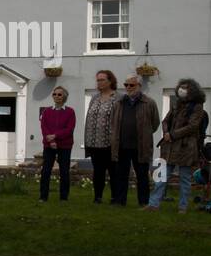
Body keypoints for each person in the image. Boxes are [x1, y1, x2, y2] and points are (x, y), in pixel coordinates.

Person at [148, 78, 206, 213]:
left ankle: (183, 207)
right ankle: (153, 204)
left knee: (185, 179)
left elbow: (193, 126)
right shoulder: (176, 104)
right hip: (169, 147)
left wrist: (173, 135)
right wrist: (166, 132)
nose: (182, 89)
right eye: (181, 86)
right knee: (161, 176)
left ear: (192, 90)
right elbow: (165, 121)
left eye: (185, 87)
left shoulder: (197, 107)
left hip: (186, 148)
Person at [110, 76, 160, 207]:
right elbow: (113, 123)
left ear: (139, 86)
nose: (128, 88)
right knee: (121, 175)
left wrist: (145, 135)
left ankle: (143, 202)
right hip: (122, 145)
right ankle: (120, 201)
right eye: (126, 85)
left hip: (141, 146)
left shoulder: (149, 103)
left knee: (142, 176)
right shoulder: (119, 103)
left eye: (131, 85)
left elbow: (155, 124)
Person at [83, 70, 120, 204]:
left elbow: (119, 120)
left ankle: (115, 197)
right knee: (98, 172)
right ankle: (97, 197)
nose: (99, 82)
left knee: (113, 171)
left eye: (102, 80)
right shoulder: (94, 98)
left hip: (110, 143)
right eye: (98, 80)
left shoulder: (118, 98)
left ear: (110, 81)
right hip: (94, 143)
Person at [39, 86, 76, 202]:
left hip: (65, 145)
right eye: (54, 94)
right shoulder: (47, 111)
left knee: (64, 171)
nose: (56, 96)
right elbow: (44, 127)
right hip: (49, 145)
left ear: (64, 96)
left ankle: (64, 197)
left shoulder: (70, 112)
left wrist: (55, 136)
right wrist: (52, 141)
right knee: (46, 171)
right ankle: (43, 197)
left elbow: (69, 129)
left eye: (59, 94)